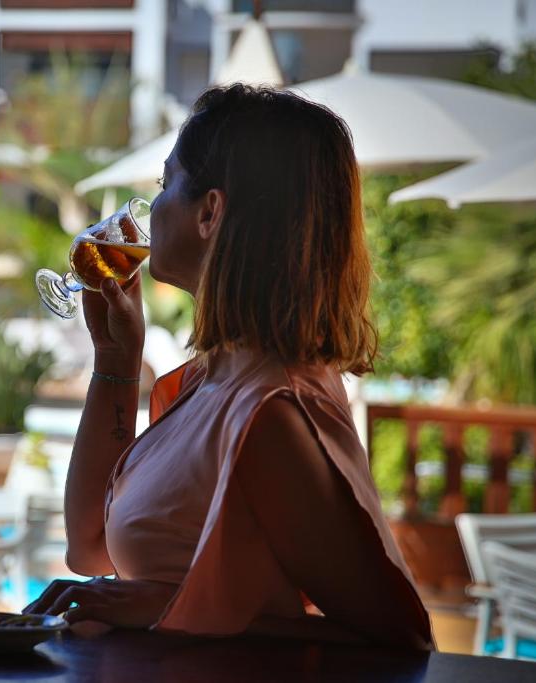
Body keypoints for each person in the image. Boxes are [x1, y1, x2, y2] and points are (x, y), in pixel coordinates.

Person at [25, 84, 433, 649]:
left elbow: (402, 639)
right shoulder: (207, 383)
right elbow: (90, 547)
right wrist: (117, 360)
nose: (148, 210)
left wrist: (164, 608)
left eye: (165, 185)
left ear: (210, 212)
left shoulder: (271, 410)